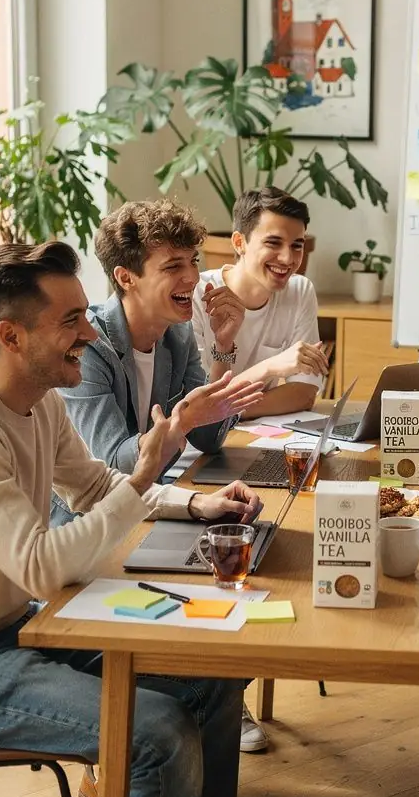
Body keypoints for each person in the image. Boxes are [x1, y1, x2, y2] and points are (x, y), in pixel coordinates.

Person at [0, 242, 308, 797]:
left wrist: (195, 507)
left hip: (23, 625)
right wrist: (144, 473)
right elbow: (46, 559)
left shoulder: (38, 401)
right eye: (71, 321)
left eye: (87, 316)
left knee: (209, 679)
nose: (88, 334)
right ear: (11, 336)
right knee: (153, 735)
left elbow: (94, 488)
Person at [57, 199, 270, 755]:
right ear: (126, 277)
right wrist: (178, 424)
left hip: (144, 503)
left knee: (242, 554)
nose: (193, 277)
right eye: (172, 265)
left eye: (193, 260)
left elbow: (209, 437)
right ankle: (141, 737)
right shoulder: (91, 347)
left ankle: (209, 709)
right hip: (90, 525)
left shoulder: (176, 337)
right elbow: (110, 465)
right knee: (217, 571)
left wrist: (223, 346)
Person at [191, 187, 330, 421]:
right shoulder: (198, 294)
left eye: (297, 245)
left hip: (254, 435)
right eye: (273, 243)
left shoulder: (300, 291)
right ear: (239, 242)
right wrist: (271, 367)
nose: (288, 258)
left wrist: (227, 413)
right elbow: (200, 405)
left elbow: (304, 394)